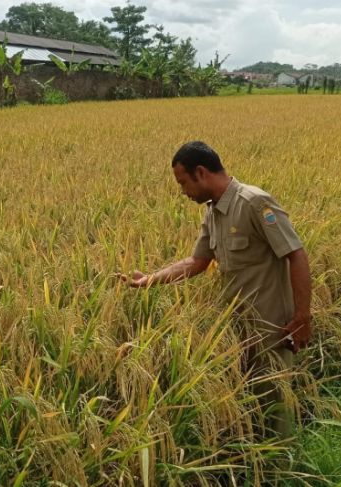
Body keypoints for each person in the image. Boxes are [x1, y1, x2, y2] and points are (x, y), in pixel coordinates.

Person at [117, 140, 312, 439]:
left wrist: (302, 317)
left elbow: (295, 254)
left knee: (275, 409)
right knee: (249, 406)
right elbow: (197, 262)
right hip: (237, 328)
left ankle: (280, 471)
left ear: (200, 172)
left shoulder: (254, 203)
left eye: (183, 183)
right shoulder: (213, 212)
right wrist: (150, 280)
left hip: (273, 328)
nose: (183, 191)